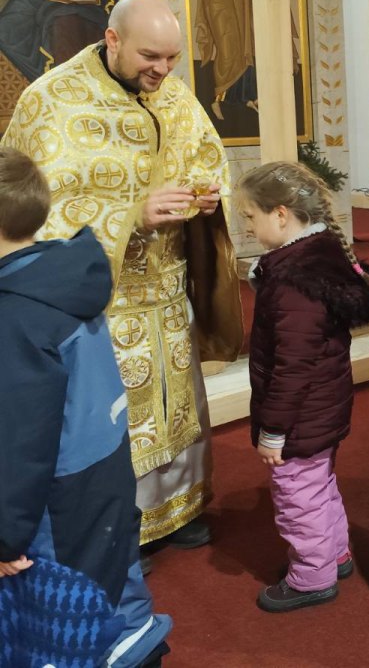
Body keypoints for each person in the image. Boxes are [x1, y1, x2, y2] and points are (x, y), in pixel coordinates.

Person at [0, 0, 244, 560]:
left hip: (167, 288)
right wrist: (130, 215)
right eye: (150, 57)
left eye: (172, 58)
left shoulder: (174, 95)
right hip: (103, 303)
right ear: (112, 39)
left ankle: (181, 507)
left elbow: (206, 157)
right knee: (115, 416)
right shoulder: (52, 101)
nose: (163, 70)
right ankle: (121, 526)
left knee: (177, 402)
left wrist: (209, 197)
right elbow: (29, 213)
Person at [0, 148, 171, 668]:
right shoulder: (62, 275)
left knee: (61, 605)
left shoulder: (15, 314)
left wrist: (5, 536)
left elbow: (20, 440)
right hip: (104, 466)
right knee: (112, 565)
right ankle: (135, 639)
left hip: (55, 496)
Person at [236, 161, 369, 613]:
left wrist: (273, 430)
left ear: (281, 214)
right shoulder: (317, 258)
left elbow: (291, 368)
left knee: (297, 496)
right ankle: (334, 554)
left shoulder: (294, 282)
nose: (248, 227)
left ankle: (312, 578)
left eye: (250, 217)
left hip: (300, 415)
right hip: (322, 406)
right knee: (318, 485)